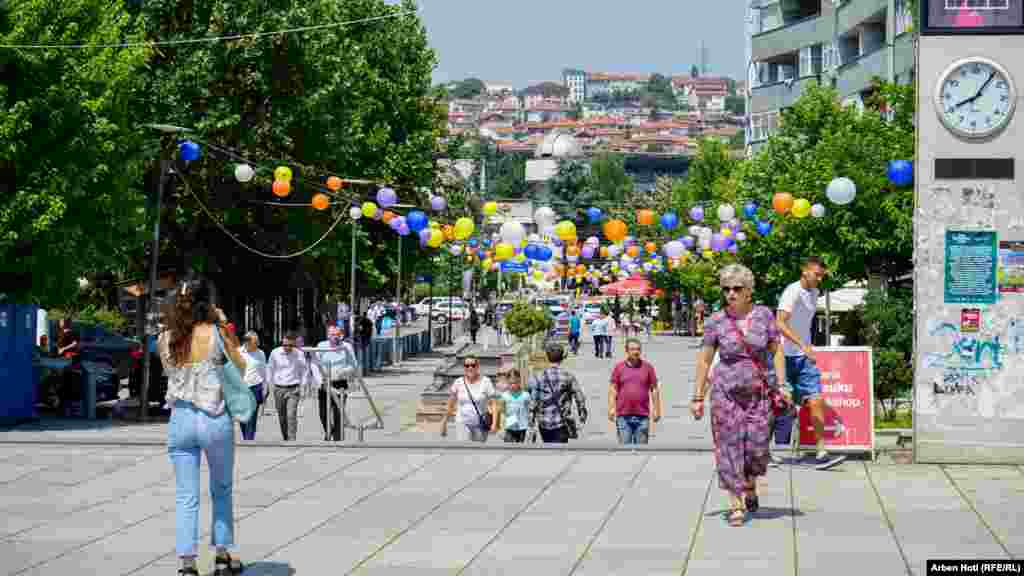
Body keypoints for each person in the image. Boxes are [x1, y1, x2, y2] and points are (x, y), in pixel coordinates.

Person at [157, 278, 247, 575]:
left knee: (186, 495)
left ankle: (187, 564)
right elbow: (242, 366)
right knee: (221, 488)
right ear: (207, 303)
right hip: (213, 416)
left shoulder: (166, 336)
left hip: (180, 419)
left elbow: (169, 371)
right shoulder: (216, 332)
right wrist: (224, 324)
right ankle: (222, 557)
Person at [691, 264, 785, 527]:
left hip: (759, 393)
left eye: (737, 288)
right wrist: (698, 396)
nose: (730, 293)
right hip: (726, 393)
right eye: (726, 289)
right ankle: (735, 504)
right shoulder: (715, 321)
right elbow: (704, 360)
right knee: (729, 445)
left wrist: (782, 383)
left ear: (749, 291)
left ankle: (749, 483)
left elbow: (776, 350)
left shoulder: (765, 315)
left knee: (756, 447)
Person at [776, 256, 846, 470]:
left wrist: (807, 346)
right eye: (816, 274)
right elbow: (779, 322)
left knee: (815, 399)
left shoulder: (815, 293)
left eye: (821, 275)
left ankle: (821, 451)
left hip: (804, 357)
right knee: (777, 404)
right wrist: (802, 344)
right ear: (804, 271)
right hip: (784, 355)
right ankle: (762, 451)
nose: (819, 278)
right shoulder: (792, 291)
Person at [528, 343, 588, 443]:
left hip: (543, 422)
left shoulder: (537, 376)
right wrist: (582, 413)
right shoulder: (568, 376)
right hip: (561, 422)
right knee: (560, 451)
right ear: (562, 358)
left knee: (548, 448)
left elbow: (533, 399)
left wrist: (531, 419)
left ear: (547, 357)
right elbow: (579, 396)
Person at [609, 338, 662, 445]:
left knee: (641, 450)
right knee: (624, 451)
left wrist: (657, 409)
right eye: (632, 349)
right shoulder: (619, 368)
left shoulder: (648, 368)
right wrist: (611, 408)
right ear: (626, 351)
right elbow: (613, 389)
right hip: (623, 416)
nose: (636, 352)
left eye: (638, 349)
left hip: (642, 416)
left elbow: (654, 389)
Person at [315, 325, 358, 441]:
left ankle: (338, 438)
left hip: (340, 383)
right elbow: (315, 364)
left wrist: (344, 371)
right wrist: (319, 381)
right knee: (323, 413)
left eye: (336, 335)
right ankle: (329, 430)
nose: (334, 337)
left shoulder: (346, 347)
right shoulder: (321, 346)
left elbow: (353, 364)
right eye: (331, 334)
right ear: (327, 335)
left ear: (341, 335)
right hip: (324, 383)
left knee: (338, 412)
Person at [440, 354, 497, 442]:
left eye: (473, 365)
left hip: (480, 423)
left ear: (477, 367)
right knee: (464, 451)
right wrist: (444, 423)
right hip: (462, 422)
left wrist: (494, 423)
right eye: (467, 366)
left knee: (478, 451)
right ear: (464, 367)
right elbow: (450, 404)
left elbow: (494, 404)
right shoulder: (458, 382)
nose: (470, 368)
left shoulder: (485, 381)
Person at [267, 331, 307, 441]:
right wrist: (268, 385)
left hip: (293, 388)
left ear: (294, 344)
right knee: (282, 416)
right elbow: (270, 369)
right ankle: (285, 437)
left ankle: (292, 439)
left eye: (290, 345)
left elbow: (304, 371)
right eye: (285, 345)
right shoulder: (275, 353)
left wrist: (303, 386)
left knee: (291, 414)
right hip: (279, 388)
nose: (287, 347)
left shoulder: (299, 354)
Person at [238, 331, 266, 441]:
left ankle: (249, 439)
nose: (257, 344)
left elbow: (263, 370)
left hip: (255, 386)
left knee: (252, 415)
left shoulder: (260, 353)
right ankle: (246, 436)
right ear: (247, 342)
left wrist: (265, 386)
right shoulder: (237, 352)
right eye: (255, 343)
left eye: (257, 342)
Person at [492, 368, 530, 442]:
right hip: (509, 428)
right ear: (507, 382)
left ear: (519, 381)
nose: (513, 385)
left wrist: (530, 426)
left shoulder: (526, 395)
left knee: (521, 450)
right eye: (511, 383)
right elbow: (502, 412)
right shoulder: (505, 396)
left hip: (522, 428)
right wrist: (500, 427)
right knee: (509, 450)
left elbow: (529, 411)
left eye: (516, 382)